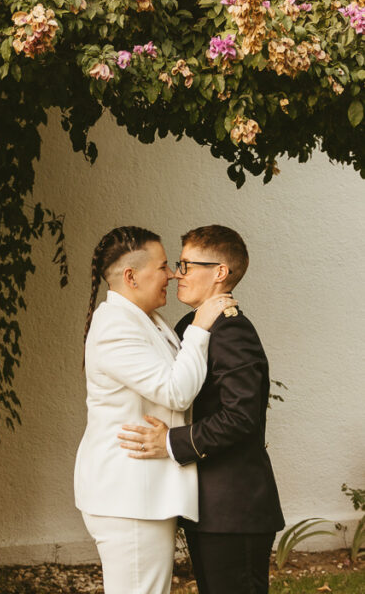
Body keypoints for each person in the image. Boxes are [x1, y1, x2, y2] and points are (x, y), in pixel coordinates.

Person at [119, 224, 284, 594]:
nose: (178, 273)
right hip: (211, 508)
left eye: (188, 265)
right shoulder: (193, 324)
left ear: (220, 272)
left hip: (235, 509)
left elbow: (240, 416)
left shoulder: (232, 330)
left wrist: (171, 442)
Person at [75, 226, 237, 594]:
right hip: (129, 496)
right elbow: (176, 392)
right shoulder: (115, 326)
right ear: (131, 276)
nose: (174, 274)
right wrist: (200, 327)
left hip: (142, 494)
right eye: (164, 267)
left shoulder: (146, 320)